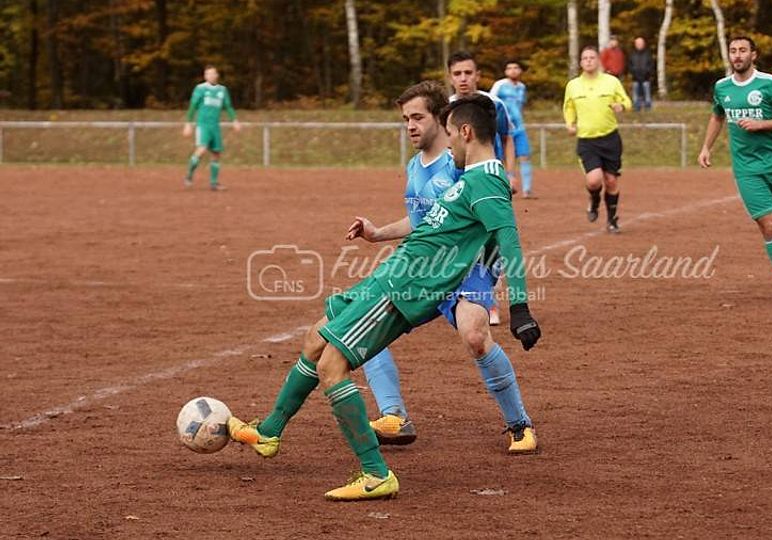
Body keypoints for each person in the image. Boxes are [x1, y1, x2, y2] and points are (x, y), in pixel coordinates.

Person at [228, 94, 542, 501]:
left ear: (465, 132)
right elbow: (436, 226)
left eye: (450, 134)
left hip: (401, 289)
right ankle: (270, 431)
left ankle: (376, 473)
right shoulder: (472, 178)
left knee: (331, 366)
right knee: (316, 336)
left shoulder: (486, 181)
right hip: (389, 276)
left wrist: (520, 307)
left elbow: (509, 242)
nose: (448, 142)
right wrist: (379, 236)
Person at [348, 81, 537, 455]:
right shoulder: (414, 167)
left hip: (468, 265)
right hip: (427, 266)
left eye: (417, 117)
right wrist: (378, 233)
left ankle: (519, 424)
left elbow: (486, 210)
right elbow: (424, 221)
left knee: (474, 334)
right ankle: (394, 416)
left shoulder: (463, 163)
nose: (410, 126)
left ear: (440, 119)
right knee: (365, 322)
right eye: (406, 119)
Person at [697, 36, 772, 309]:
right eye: (733, 51)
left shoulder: (770, 83)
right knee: (769, 225)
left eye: (742, 50)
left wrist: (762, 124)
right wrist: (706, 147)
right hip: (746, 169)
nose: (737, 55)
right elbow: (717, 115)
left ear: (753, 55)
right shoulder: (722, 87)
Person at [448, 50, 516, 324]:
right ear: (450, 77)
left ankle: (489, 301)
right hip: (456, 182)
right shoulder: (445, 108)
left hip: (488, 182)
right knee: (460, 240)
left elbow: (507, 138)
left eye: (468, 72)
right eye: (457, 73)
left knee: (491, 241)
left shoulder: (494, 104)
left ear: (477, 75)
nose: (463, 78)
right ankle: (461, 298)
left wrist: (510, 174)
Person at [563, 45, 632, 234]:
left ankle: (612, 220)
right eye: (585, 58)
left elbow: (627, 102)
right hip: (587, 140)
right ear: (580, 62)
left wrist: (621, 106)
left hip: (610, 138)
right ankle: (594, 200)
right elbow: (568, 107)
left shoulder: (611, 82)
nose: (588, 61)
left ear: (598, 61)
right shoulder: (573, 85)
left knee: (611, 181)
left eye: (592, 57)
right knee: (594, 181)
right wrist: (570, 123)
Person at [182, 65, 239, 191]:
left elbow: (228, 106)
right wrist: (188, 124)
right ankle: (189, 176)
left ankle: (214, 183)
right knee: (201, 149)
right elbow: (192, 106)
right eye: (208, 74)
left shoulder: (222, 90)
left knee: (216, 153)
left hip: (215, 126)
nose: (211, 76)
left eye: (213, 73)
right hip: (203, 125)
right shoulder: (200, 89)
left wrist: (234, 120)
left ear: (217, 75)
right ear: (205, 76)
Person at [491, 60, 534, 198]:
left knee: (525, 156)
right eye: (509, 68)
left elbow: (520, 106)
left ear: (520, 71)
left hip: (519, 128)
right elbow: (491, 102)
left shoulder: (522, 87)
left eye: (516, 67)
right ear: (505, 71)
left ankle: (527, 190)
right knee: (502, 158)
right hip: (503, 128)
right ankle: (506, 185)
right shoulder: (500, 85)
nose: (513, 70)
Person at [629, 37, 654, 111]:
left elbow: (651, 65)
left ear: (644, 44)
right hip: (635, 77)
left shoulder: (648, 54)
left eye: (641, 43)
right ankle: (636, 107)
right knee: (635, 94)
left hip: (646, 77)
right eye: (638, 43)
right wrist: (633, 73)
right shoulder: (632, 54)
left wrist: (647, 73)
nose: (639, 45)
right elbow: (629, 65)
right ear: (635, 44)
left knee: (647, 94)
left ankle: (648, 107)